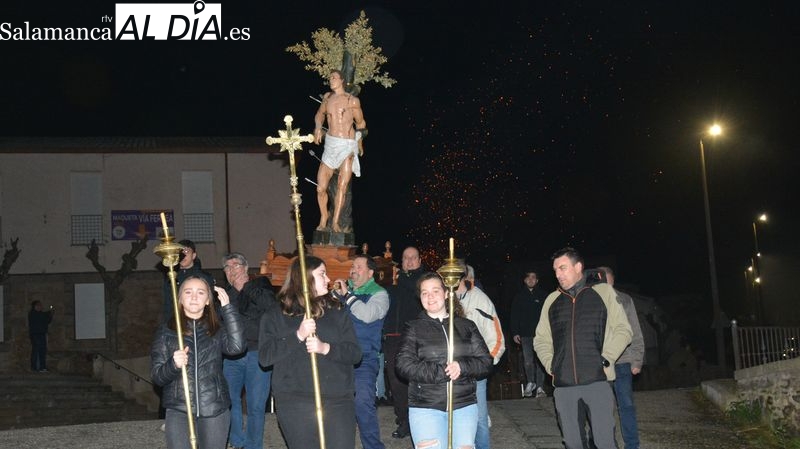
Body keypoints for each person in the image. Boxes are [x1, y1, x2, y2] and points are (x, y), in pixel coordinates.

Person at [258, 256, 362, 449]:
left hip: (337, 399)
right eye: (322, 274)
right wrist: (297, 335)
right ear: (304, 278)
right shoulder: (276, 314)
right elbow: (265, 357)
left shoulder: (337, 310)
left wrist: (326, 348)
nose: (328, 279)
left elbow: (355, 353)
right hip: (295, 401)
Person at [533, 248, 632, 449]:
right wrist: (552, 366)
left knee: (604, 442)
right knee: (573, 443)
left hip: (598, 380)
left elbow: (624, 329)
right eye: (555, 270)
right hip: (564, 385)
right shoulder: (552, 301)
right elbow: (540, 339)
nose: (558, 274)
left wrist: (606, 358)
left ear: (578, 267)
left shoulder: (603, 292)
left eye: (563, 268)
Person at [396, 272, 492, 449]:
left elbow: (485, 361)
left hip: (464, 405)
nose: (430, 297)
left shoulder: (466, 326)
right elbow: (404, 364)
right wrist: (442, 372)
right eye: (425, 292)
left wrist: (462, 367)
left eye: (435, 291)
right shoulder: (414, 328)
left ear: (447, 293)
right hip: (426, 407)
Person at [151, 273, 246, 449]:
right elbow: (157, 377)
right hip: (179, 409)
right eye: (188, 292)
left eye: (201, 292)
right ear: (180, 298)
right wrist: (173, 364)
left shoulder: (216, 330)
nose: (194, 296)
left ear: (208, 300)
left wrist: (228, 310)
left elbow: (237, 347)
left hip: (214, 408)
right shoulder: (166, 332)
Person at [221, 253, 277, 449]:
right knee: (229, 399)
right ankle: (236, 441)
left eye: (235, 265)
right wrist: (235, 291)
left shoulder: (260, 285)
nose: (231, 270)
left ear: (245, 268)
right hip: (232, 356)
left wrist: (246, 287)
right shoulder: (224, 294)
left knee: (256, 404)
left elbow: (271, 308)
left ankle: (254, 445)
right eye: (227, 268)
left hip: (257, 354)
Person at [333, 255, 389, 449]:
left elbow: (366, 315)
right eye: (352, 267)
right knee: (336, 406)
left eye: (358, 267)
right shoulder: (341, 292)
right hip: (338, 358)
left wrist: (347, 296)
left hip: (364, 360)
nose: (353, 270)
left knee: (363, 404)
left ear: (370, 272)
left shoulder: (379, 294)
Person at [455, 264, 505, 449]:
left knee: (479, 420)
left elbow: (497, 337)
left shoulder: (480, 299)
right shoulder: (443, 298)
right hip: (449, 372)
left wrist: (486, 363)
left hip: (475, 372)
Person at [313, 69, 367, 233]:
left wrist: (359, 141)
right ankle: (324, 216)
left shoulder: (352, 101)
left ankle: (335, 221)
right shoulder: (327, 98)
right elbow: (319, 115)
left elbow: (361, 123)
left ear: (342, 80)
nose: (331, 80)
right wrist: (317, 128)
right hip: (331, 144)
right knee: (320, 188)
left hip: (346, 146)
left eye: (334, 77)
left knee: (342, 187)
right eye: (330, 77)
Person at [598, 266, 645, 449]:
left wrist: (637, 359)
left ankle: (632, 445)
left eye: (607, 281)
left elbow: (635, 330)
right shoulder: (593, 300)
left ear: (613, 280)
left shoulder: (625, 300)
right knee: (603, 408)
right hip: (602, 363)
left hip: (623, 361)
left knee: (626, 405)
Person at [383, 246, 426, 439]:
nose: (409, 261)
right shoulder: (394, 280)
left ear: (419, 260)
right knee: (396, 381)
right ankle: (403, 420)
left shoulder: (423, 280)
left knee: (416, 381)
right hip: (393, 336)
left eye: (413, 258)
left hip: (416, 336)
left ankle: (420, 420)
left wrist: (401, 278)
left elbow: (415, 289)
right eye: (405, 258)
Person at [510, 269, 547, 398]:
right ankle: (530, 382)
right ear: (525, 280)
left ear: (537, 281)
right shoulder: (519, 296)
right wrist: (515, 332)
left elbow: (547, 315)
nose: (531, 280)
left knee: (540, 361)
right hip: (525, 335)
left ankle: (540, 387)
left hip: (541, 335)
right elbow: (514, 316)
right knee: (528, 361)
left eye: (533, 278)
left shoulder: (543, 295)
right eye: (528, 278)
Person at [161, 239, 206, 324]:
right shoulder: (171, 277)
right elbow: (168, 304)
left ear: (193, 255)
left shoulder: (203, 278)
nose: (183, 255)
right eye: (180, 252)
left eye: (186, 251)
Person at [28, 300, 54, 372]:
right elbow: (43, 317)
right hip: (36, 334)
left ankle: (42, 367)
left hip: (42, 334)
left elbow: (47, 321)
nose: (41, 306)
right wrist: (49, 313)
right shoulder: (33, 314)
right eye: (39, 305)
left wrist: (50, 314)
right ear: (35, 306)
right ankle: (35, 367)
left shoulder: (40, 314)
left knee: (42, 351)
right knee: (36, 351)